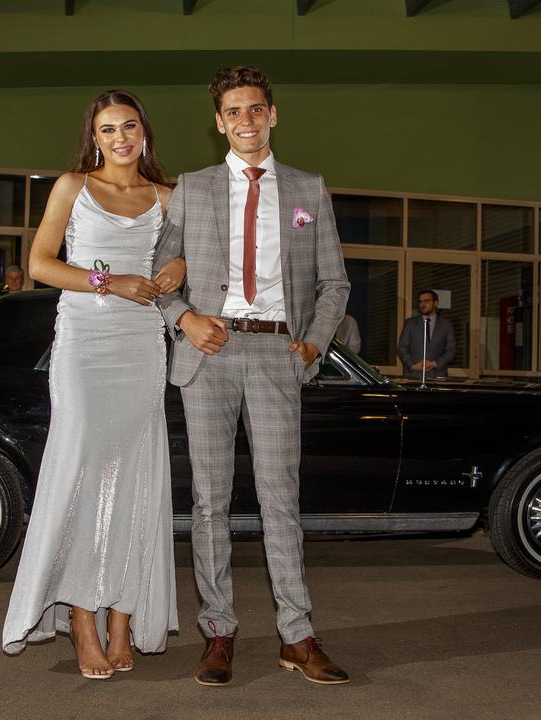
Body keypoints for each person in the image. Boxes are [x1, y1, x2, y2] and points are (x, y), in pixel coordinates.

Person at [151, 65, 351, 686]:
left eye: (256, 109)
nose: (246, 120)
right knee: (210, 500)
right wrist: (184, 317)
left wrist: (312, 346)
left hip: (276, 355)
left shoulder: (308, 189)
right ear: (218, 122)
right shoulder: (192, 187)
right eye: (233, 112)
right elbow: (163, 272)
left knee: (278, 499)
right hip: (208, 353)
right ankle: (218, 632)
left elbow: (334, 281)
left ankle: (297, 634)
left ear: (273, 115)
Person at [1, 89, 185, 680]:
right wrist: (111, 281)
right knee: (83, 469)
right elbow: (40, 264)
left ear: (144, 132)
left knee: (136, 477)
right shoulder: (72, 187)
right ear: (95, 137)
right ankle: (82, 617)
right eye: (108, 130)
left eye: (129, 126)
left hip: (141, 347)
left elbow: (191, 261)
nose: (121, 138)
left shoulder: (167, 197)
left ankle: (122, 619)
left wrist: (178, 267)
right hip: (85, 345)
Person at [398, 289, 454, 379]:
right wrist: (412, 365)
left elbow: (450, 351)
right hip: (413, 375)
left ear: (435, 303)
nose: (422, 304)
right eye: (420, 301)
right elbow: (402, 348)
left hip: (437, 376)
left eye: (426, 301)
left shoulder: (446, 325)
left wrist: (434, 364)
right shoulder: (410, 323)